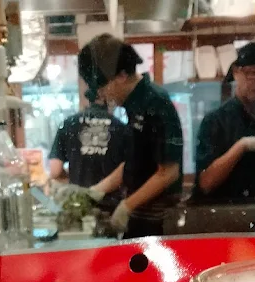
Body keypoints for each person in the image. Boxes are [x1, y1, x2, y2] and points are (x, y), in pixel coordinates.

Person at [78, 34, 183, 238]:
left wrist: (126, 206)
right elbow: (134, 161)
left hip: (158, 219)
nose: (101, 94)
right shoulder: (133, 105)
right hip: (140, 212)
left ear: (122, 75)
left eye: (102, 86)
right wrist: (97, 190)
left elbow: (169, 172)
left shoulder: (155, 102)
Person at [193, 41, 255, 205]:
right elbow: (205, 184)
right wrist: (241, 146)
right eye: (252, 73)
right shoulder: (216, 121)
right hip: (221, 214)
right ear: (236, 72)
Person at [48, 86, 129, 209]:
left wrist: (74, 178)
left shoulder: (68, 124)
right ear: (108, 100)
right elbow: (128, 168)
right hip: (110, 204)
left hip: (78, 203)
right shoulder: (121, 127)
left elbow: (55, 171)